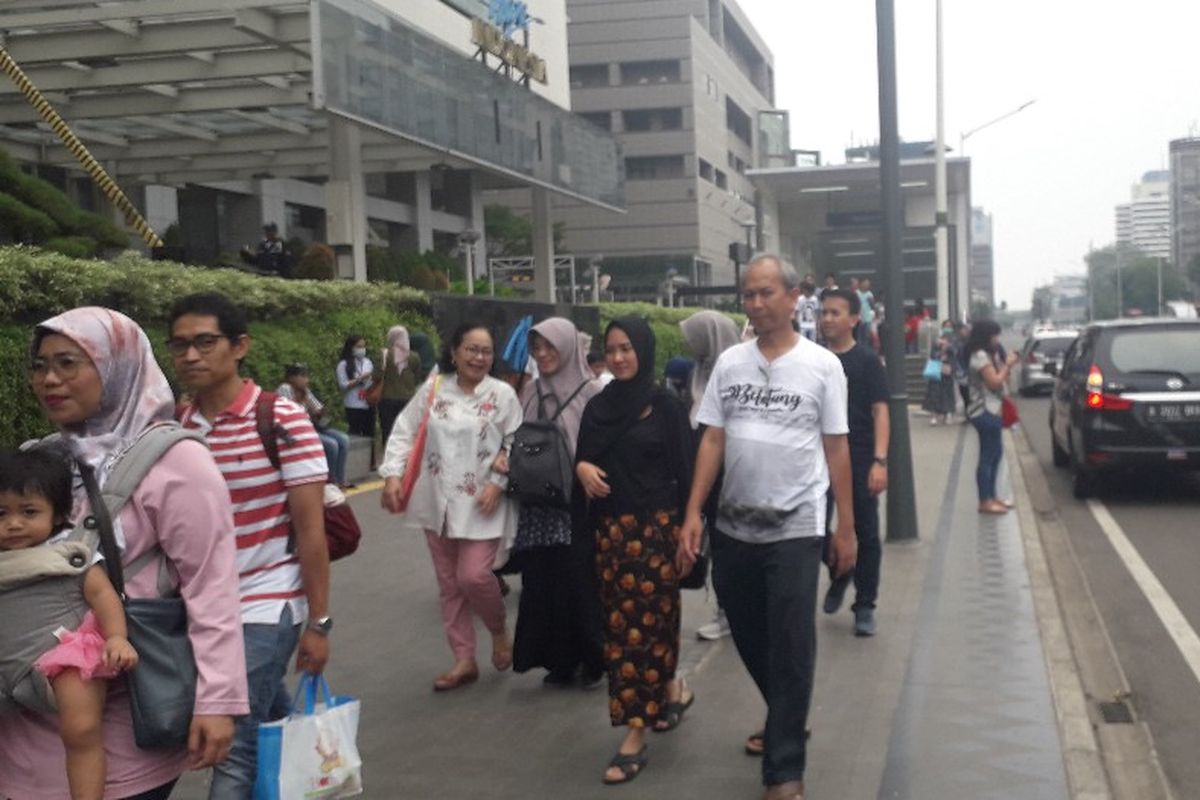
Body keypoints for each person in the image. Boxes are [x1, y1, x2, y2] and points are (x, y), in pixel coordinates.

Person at [1, 306, 247, 800]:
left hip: (117, 732)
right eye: (40, 365)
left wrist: (218, 701)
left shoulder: (177, 462)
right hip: (19, 726)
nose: (49, 379)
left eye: (69, 363)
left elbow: (211, 588)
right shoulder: (45, 457)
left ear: (116, 365)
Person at [678, 255, 857, 800]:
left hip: (797, 528)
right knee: (752, 635)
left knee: (792, 642)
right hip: (733, 528)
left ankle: (784, 771)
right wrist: (692, 513)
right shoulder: (730, 364)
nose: (755, 304)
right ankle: (788, 712)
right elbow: (712, 438)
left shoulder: (823, 366)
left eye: (765, 293)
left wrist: (845, 526)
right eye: (747, 295)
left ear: (792, 295)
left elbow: (837, 448)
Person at [169, 292, 332, 798]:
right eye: (180, 346)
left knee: (235, 744)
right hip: (203, 608)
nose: (191, 356)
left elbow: (311, 531)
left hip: (268, 599)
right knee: (269, 719)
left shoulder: (281, 419)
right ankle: (318, 777)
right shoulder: (177, 424)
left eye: (205, 343)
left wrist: (319, 624)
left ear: (239, 346)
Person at [575, 316, 696, 785]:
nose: (620, 357)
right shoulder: (598, 407)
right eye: (612, 349)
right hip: (611, 536)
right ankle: (671, 690)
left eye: (628, 348)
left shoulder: (664, 406)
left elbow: (687, 472)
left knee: (647, 629)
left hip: (659, 531)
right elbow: (583, 457)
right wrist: (583, 467)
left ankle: (635, 733)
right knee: (630, 630)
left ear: (643, 351)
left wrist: (691, 531)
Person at [380, 323, 521, 691]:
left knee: (473, 576)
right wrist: (393, 475)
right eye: (471, 349)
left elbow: (515, 441)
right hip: (437, 500)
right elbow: (403, 431)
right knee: (449, 585)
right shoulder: (434, 388)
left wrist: (498, 483)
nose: (478, 357)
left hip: (482, 503)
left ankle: (497, 628)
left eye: (486, 351)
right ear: (455, 351)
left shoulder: (503, 394)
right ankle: (463, 659)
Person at [0, 447, 139, 800]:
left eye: (29, 512)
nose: (13, 524)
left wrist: (117, 638)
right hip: (8, 662)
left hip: (65, 660)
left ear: (60, 513)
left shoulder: (71, 553)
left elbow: (103, 595)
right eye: (1, 513)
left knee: (80, 731)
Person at [511, 318, 605, 688]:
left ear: (568, 346)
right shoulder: (530, 390)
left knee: (578, 582)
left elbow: (602, 445)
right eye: (537, 348)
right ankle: (557, 659)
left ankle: (590, 658)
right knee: (541, 583)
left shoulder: (591, 392)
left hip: (577, 503)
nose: (543, 354)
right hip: (537, 503)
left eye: (550, 346)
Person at [818, 289, 891, 637]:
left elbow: (881, 411)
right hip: (817, 459)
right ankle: (840, 570)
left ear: (853, 319)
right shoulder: (812, 359)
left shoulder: (866, 361)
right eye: (824, 312)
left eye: (835, 312)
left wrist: (880, 460)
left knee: (867, 534)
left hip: (860, 457)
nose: (827, 318)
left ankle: (865, 605)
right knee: (814, 529)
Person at [679, 310, 742, 642]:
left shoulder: (736, 373)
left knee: (732, 549)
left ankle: (734, 611)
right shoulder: (699, 371)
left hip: (733, 477)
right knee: (717, 546)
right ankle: (726, 611)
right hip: (707, 476)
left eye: (696, 338)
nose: (691, 345)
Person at [964, 319, 1018, 514]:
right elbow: (994, 382)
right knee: (988, 455)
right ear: (986, 336)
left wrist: (1005, 365)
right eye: (995, 335)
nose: (997, 339)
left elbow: (1003, 381)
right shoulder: (980, 356)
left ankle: (992, 496)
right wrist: (1007, 366)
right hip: (984, 410)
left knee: (996, 454)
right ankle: (985, 500)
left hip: (993, 409)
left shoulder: (989, 355)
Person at [277, 363, 351, 488]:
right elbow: (293, 413)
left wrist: (322, 413)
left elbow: (317, 408)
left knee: (343, 439)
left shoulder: (304, 390)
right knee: (331, 445)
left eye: (306, 376)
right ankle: (329, 482)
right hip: (297, 430)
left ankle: (340, 479)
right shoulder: (285, 389)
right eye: (303, 376)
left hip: (311, 427)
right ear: (292, 377)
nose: (306, 379)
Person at [377, 325, 424, 444]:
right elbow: (417, 378)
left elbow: (377, 376)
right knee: (406, 431)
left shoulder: (385, 355)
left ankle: (387, 455)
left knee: (388, 430)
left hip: (387, 398)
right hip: (408, 399)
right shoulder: (414, 356)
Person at [335, 335, 375, 465]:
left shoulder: (368, 362)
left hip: (368, 402)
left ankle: (370, 462)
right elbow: (343, 385)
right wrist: (359, 379)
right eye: (358, 346)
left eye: (363, 346)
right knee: (355, 433)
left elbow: (371, 381)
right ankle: (354, 462)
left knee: (369, 433)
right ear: (351, 348)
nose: (362, 349)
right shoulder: (344, 364)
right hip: (353, 404)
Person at [921, 323, 958, 425]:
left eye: (950, 326)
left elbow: (955, 353)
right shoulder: (936, 342)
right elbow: (933, 355)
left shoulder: (954, 341)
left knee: (947, 393)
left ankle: (947, 414)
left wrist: (947, 346)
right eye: (946, 326)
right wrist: (940, 350)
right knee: (934, 392)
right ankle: (934, 415)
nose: (948, 328)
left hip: (947, 371)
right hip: (936, 370)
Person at [857, 277, 876, 346]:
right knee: (859, 336)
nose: (866, 285)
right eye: (865, 283)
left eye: (868, 284)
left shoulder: (869, 294)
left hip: (867, 318)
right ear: (861, 284)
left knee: (866, 336)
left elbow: (873, 307)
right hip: (859, 318)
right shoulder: (857, 293)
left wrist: (871, 302)